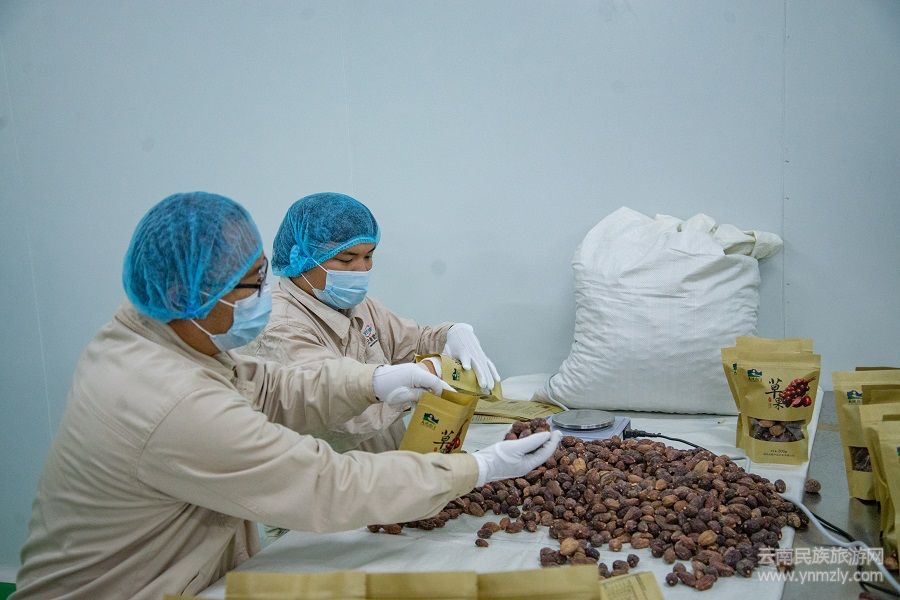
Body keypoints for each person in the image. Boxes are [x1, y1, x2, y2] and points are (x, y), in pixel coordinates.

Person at [13, 192, 561, 600]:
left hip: (185, 569)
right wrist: (476, 468)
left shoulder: (152, 330)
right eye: (251, 286)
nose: (263, 296)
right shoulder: (174, 404)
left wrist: (372, 381)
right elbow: (326, 482)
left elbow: (268, 385)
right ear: (188, 293)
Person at [245, 192, 501, 453]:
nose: (362, 269)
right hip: (330, 471)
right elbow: (335, 417)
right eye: (346, 259)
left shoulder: (350, 303)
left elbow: (412, 341)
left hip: (382, 465)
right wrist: (416, 380)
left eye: (368, 256)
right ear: (301, 258)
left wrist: (451, 334)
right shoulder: (280, 326)